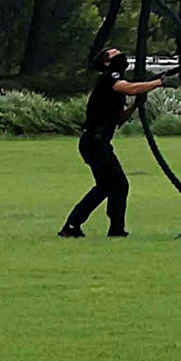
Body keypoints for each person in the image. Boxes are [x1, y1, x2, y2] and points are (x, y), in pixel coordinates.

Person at [60, 46, 158, 239]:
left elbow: (119, 118)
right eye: (115, 54)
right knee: (119, 184)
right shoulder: (108, 77)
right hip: (94, 142)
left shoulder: (114, 87)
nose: (120, 55)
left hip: (98, 141)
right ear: (106, 62)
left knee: (106, 186)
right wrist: (159, 83)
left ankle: (73, 226)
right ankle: (115, 229)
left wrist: (135, 105)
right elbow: (131, 88)